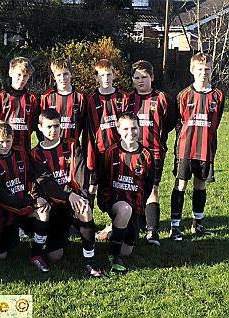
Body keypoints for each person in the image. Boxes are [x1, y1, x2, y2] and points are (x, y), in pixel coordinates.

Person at [31, 109, 102, 277]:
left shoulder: (71, 144)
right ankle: (36, 253)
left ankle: (89, 261)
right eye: (48, 127)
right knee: (55, 256)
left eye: (56, 126)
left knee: (85, 211)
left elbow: (81, 173)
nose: (53, 131)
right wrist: (70, 195)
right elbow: (47, 183)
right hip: (54, 204)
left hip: (73, 201)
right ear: (40, 128)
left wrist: (83, 198)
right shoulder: (36, 153)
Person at [170, 53, 225, 241]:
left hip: (206, 149)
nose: (204, 73)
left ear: (211, 70)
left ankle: (197, 224)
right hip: (185, 149)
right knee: (181, 184)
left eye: (207, 69)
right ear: (192, 70)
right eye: (200, 69)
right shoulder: (184, 95)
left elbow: (215, 123)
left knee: (200, 185)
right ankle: (175, 226)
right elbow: (178, 122)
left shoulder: (218, 96)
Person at [0, 121, 51, 272]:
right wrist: (31, 202)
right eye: (0, 141)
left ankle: (36, 254)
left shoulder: (21, 153)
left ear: (13, 139)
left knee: (43, 211)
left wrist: (37, 196)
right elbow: (2, 196)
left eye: (8, 141)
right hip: (3, 213)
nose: (4, 145)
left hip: (24, 206)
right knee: (1, 256)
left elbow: (32, 178)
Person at [125, 60, 176, 245]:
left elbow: (170, 122)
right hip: (131, 153)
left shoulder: (162, 98)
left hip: (154, 152)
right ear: (132, 79)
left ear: (152, 77)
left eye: (144, 77)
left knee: (152, 188)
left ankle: (152, 231)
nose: (140, 81)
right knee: (131, 188)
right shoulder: (128, 99)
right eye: (137, 78)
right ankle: (134, 225)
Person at [97, 113, 154, 272]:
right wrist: (105, 202)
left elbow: (148, 184)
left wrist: (140, 205)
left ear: (139, 128)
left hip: (134, 204)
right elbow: (102, 179)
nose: (131, 132)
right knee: (124, 209)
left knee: (127, 251)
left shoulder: (146, 155)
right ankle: (114, 256)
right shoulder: (111, 152)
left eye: (134, 128)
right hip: (116, 202)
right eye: (126, 128)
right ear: (118, 130)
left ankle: (111, 233)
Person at [86, 59, 129, 240]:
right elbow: (87, 129)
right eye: (102, 75)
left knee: (118, 188)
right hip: (98, 153)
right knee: (92, 187)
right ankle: (86, 223)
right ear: (96, 77)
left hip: (119, 155)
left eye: (109, 74)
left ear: (114, 75)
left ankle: (115, 223)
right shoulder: (90, 99)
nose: (106, 78)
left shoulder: (123, 97)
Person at [0, 57, 38, 154]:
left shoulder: (32, 98)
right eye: (19, 75)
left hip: (24, 149)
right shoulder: (1, 96)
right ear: (10, 73)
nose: (22, 79)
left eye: (25, 76)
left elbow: (35, 125)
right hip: (3, 148)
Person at [39, 58, 86, 142]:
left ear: (71, 74)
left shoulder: (80, 97)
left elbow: (84, 124)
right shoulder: (46, 96)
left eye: (65, 74)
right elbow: (41, 123)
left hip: (73, 147)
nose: (63, 78)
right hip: (52, 147)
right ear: (54, 76)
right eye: (58, 75)